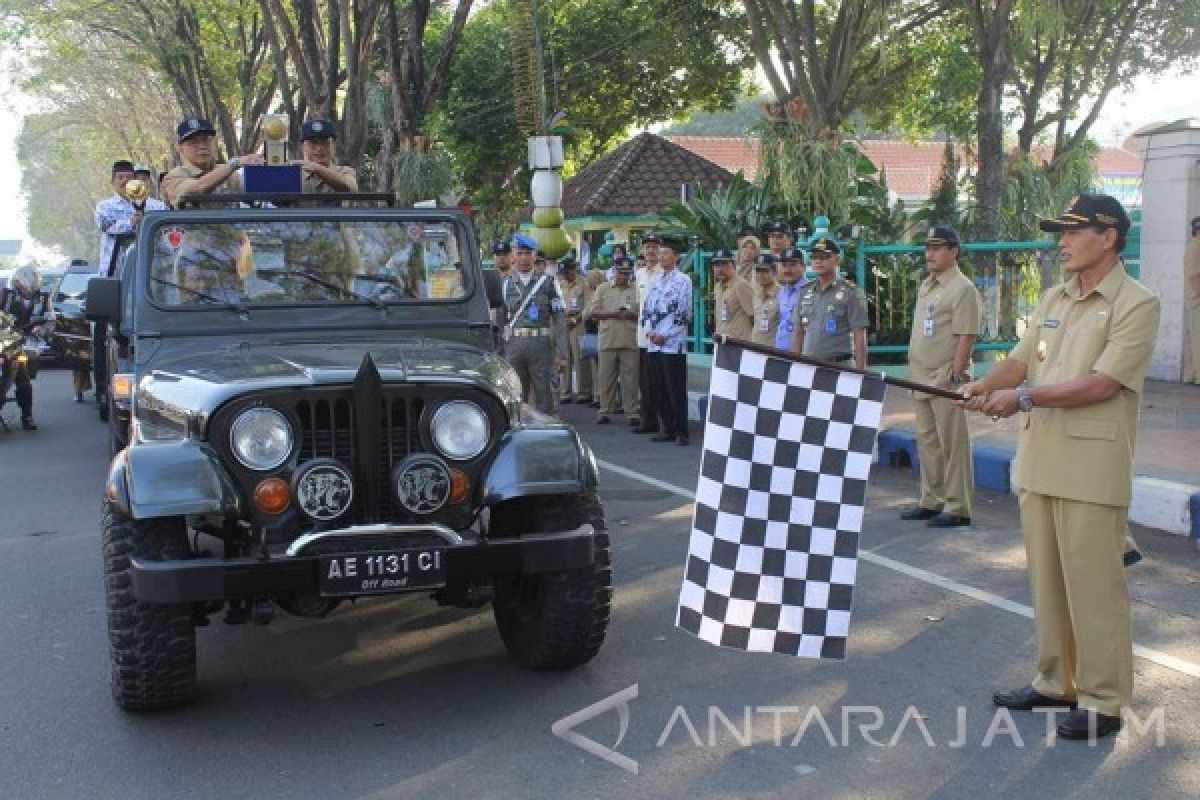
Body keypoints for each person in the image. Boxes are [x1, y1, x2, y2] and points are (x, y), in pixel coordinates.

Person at [958, 194, 1160, 741]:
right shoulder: (1055, 296)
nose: (1062, 242)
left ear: (1110, 237)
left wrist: (1022, 398)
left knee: (1094, 589)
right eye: (1061, 232)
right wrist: (985, 383)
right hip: (1042, 459)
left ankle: (1103, 698)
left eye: (1074, 232)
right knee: (1047, 583)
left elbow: (1103, 383)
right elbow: (1023, 360)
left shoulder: (1136, 303)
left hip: (1092, 469)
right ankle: (1055, 681)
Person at [899, 225, 982, 528]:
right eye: (928, 248)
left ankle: (958, 506)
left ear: (953, 251)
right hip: (920, 376)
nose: (930, 254)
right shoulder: (928, 285)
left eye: (937, 248)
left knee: (952, 443)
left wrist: (956, 375)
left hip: (945, 376)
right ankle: (931, 499)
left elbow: (966, 335)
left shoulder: (962, 288)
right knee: (928, 442)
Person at [502, 234, 567, 414]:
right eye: (520, 253)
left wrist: (562, 353)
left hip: (541, 346)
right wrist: (500, 350)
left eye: (528, 253)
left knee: (545, 393)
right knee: (514, 394)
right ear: (513, 255)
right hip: (514, 346)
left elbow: (560, 319)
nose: (524, 258)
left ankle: (546, 435)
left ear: (535, 255)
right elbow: (501, 320)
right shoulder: (506, 283)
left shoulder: (548, 283)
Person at [639, 236, 693, 445]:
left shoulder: (683, 281)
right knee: (658, 386)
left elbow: (684, 314)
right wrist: (650, 332)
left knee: (675, 388)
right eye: (660, 253)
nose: (661, 257)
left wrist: (666, 334)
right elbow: (647, 310)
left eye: (666, 253)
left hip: (673, 344)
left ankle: (681, 431)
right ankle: (667, 427)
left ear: (676, 257)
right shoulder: (655, 280)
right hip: (654, 342)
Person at [792, 239, 869, 368]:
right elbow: (798, 332)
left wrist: (861, 373)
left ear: (837, 260)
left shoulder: (852, 292)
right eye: (814, 257)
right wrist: (794, 367)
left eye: (824, 257)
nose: (818, 261)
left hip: (840, 366)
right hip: (809, 366)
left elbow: (859, 334)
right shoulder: (804, 291)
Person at [161, 117, 265, 207]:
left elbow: (259, 193)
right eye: (193, 142)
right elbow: (198, 188)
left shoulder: (230, 175)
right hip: (193, 230)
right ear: (180, 148)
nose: (202, 146)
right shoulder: (174, 177)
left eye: (206, 140)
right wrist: (236, 163)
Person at [587, 258, 640, 425]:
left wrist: (630, 314)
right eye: (620, 273)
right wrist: (614, 313)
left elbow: (642, 313)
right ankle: (604, 410)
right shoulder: (603, 289)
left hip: (629, 339)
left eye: (626, 273)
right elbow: (593, 312)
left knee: (630, 378)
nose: (623, 277)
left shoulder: (636, 289)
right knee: (606, 377)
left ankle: (631, 411)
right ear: (614, 272)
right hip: (608, 339)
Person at [95, 160, 169, 278]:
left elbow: (166, 231)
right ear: (112, 182)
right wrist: (132, 222)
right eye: (120, 177)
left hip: (150, 273)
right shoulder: (104, 206)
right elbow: (106, 226)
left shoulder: (157, 206)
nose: (125, 181)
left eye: (129, 177)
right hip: (113, 274)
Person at [0, 267, 49, 430]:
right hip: (2, 340)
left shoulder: (41, 299)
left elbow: (49, 319)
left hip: (17, 344)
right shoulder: (4, 294)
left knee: (24, 381)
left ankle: (27, 416)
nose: (28, 290)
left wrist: (39, 328)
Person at [632, 233, 664, 435]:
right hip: (644, 335)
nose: (651, 251)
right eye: (647, 247)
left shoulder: (665, 273)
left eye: (654, 247)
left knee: (661, 379)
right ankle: (647, 420)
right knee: (645, 380)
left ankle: (663, 421)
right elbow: (639, 304)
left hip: (662, 335)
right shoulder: (639, 274)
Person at [558, 257, 593, 404]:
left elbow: (590, 305)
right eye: (563, 272)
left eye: (567, 272)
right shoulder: (558, 284)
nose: (565, 275)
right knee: (564, 357)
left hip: (578, 321)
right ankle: (565, 392)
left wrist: (578, 318)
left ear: (573, 270)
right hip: (562, 321)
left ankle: (584, 391)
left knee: (580, 357)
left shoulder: (583, 284)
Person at [293, 119, 358, 193]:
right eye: (313, 143)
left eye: (325, 142)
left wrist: (316, 168)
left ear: (333, 146)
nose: (319, 148)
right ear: (302, 147)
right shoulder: (294, 174)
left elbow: (351, 189)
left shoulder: (344, 171)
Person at [711, 247, 755, 341]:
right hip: (722, 342)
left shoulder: (741, 285)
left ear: (733, 265)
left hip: (739, 344)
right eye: (717, 265)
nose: (720, 269)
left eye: (724, 264)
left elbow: (754, 316)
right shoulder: (717, 287)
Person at [773, 247, 807, 351]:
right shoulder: (782, 291)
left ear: (803, 267)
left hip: (800, 356)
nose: (787, 270)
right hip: (780, 352)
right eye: (784, 265)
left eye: (792, 265)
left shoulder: (809, 291)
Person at [751, 253, 780, 346]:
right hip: (755, 347)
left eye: (765, 271)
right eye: (758, 271)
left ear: (774, 272)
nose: (761, 275)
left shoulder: (782, 294)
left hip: (773, 350)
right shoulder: (756, 293)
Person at [1184, 216, 1200, 384]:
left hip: (1194, 299)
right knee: (1198, 338)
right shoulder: (1196, 247)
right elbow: (1195, 277)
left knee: (1193, 338)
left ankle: (1191, 374)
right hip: (1197, 300)